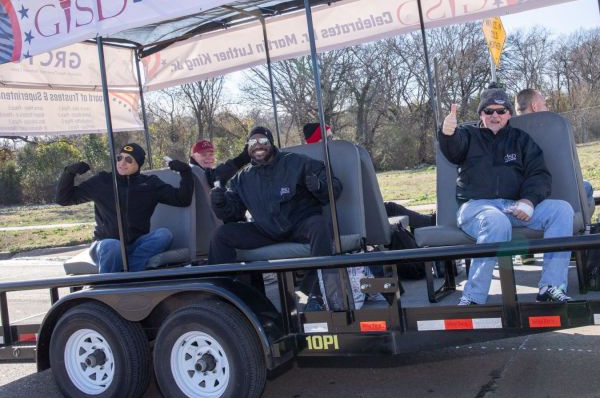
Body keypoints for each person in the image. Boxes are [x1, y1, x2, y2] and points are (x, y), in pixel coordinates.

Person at [439, 86, 575, 305]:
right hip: (476, 207)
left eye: (501, 111)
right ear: (481, 114)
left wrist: (529, 201)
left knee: (561, 210)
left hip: (512, 206)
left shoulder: (521, 140)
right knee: (495, 221)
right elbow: (452, 149)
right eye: (489, 111)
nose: (495, 116)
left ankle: (551, 286)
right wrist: (447, 132)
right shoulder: (467, 136)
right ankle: (473, 297)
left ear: (509, 114)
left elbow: (539, 174)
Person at [208, 125, 342, 311]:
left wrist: (319, 186)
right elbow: (233, 214)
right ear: (248, 148)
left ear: (270, 143)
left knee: (320, 225)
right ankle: (223, 297)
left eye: (262, 141)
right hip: (266, 229)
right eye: (252, 142)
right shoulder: (242, 179)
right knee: (222, 235)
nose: (258, 145)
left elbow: (333, 188)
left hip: (300, 224)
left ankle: (316, 294)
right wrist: (220, 203)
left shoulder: (297, 162)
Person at [55, 142, 194, 273]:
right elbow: (64, 199)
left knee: (164, 235)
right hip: (105, 245)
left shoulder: (150, 184)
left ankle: (129, 274)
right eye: (119, 158)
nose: (122, 163)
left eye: (128, 160)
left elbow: (182, 199)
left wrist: (186, 172)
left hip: (134, 245)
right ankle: (108, 288)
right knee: (113, 246)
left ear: (138, 165)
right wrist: (69, 173)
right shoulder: (103, 181)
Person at [302, 122, 436, 232]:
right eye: (328, 138)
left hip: (346, 209)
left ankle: (429, 221)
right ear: (317, 142)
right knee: (391, 208)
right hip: (346, 216)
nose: (332, 141)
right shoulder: (327, 161)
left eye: (332, 137)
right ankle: (430, 222)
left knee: (390, 207)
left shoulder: (326, 158)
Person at [515, 88, 595, 213]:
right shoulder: (555, 126)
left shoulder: (509, 131)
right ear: (534, 107)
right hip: (562, 195)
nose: (547, 108)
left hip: (523, 198)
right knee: (587, 186)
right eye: (545, 104)